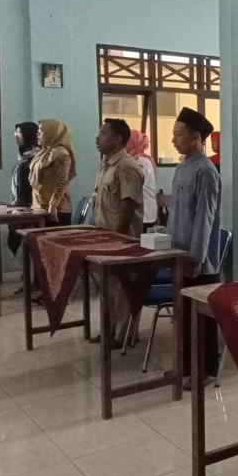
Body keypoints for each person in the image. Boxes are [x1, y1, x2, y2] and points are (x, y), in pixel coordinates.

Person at [167, 107, 222, 386]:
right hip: (179, 253)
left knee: (201, 320)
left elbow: (204, 219)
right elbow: (176, 213)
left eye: (179, 134)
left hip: (198, 260)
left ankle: (205, 371)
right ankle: (185, 366)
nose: (173, 139)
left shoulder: (206, 171)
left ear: (196, 137)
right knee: (184, 316)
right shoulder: (182, 168)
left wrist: (196, 257)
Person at [92, 118, 144, 348]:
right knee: (108, 288)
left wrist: (117, 239)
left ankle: (123, 335)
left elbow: (128, 206)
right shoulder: (105, 165)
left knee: (122, 289)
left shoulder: (127, 167)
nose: (98, 138)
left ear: (118, 139)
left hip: (121, 239)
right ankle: (109, 330)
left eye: (103, 134)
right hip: (104, 237)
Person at [30, 118, 76, 225]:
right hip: (40, 207)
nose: (37, 134)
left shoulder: (61, 153)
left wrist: (53, 205)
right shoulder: (45, 152)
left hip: (57, 210)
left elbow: (61, 182)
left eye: (41, 130)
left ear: (52, 133)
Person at [125, 129, 158, 229]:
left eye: (127, 141)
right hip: (136, 215)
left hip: (144, 216)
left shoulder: (142, 162)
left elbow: (136, 186)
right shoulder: (131, 160)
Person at [10, 122, 38, 208]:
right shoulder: (22, 159)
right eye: (15, 132)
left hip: (29, 208)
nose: (15, 135)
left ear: (28, 135)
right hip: (19, 206)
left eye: (19, 133)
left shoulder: (36, 159)